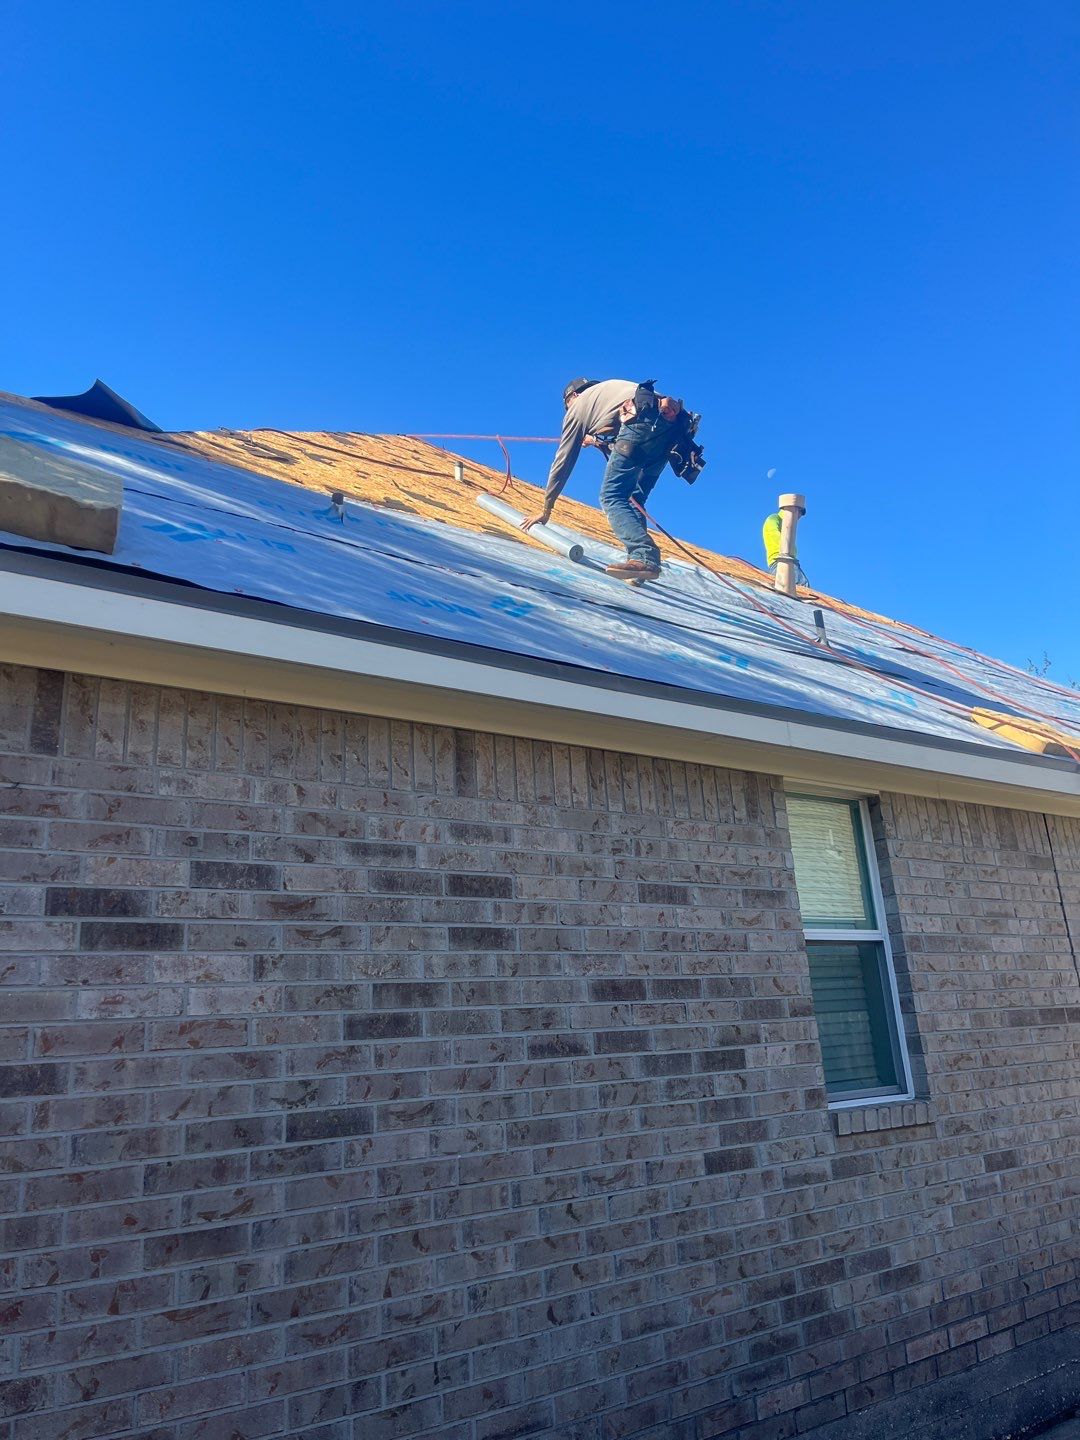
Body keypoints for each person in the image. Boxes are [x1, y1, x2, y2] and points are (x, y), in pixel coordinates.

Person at [520, 378, 687, 580]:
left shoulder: (577, 407)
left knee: (611, 496)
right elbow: (629, 444)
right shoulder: (610, 392)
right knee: (635, 498)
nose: (567, 410)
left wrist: (546, 509)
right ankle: (640, 570)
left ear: (573, 397)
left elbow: (563, 461)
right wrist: (597, 441)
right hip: (672, 432)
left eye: (566, 406)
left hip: (644, 422)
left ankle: (644, 556)